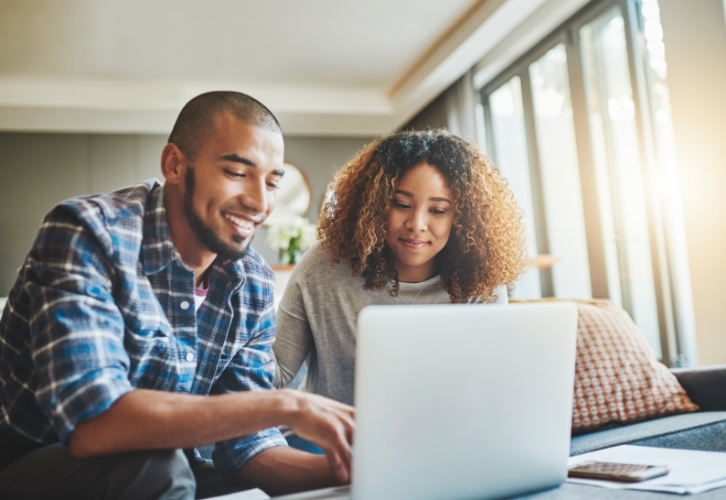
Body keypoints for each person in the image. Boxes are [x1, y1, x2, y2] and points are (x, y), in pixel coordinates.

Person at [0, 91, 355, 499]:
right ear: (174, 164)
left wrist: (352, 471)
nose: (260, 202)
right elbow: (92, 423)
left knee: (235, 488)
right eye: (237, 173)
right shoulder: (88, 233)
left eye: (273, 182)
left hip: (161, 468)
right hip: (30, 463)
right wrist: (285, 405)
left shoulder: (252, 281)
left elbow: (247, 446)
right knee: (161, 470)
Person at [273, 130, 527, 415]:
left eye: (438, 210)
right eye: (402, 205)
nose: (417, 223)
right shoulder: (324, 265)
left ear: (462, 217)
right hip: (332, 443)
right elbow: (276, 373)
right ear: (374, 203)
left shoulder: (479, 282)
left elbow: (490, 386)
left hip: (442, 438)